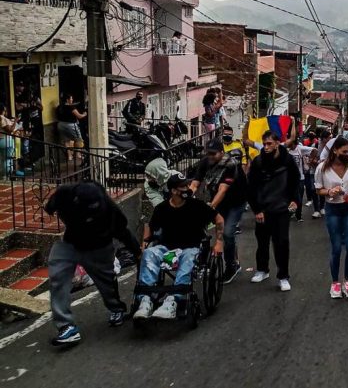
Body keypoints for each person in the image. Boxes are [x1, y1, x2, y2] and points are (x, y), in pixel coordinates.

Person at [45, 181, 139, 346]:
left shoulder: (110, 209)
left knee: (106, 282)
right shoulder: (64, 194)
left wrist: (137, 252)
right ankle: (66, 326)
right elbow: (50, 206)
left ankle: (116, 308)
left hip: (99, 248)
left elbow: (123, 232)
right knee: (57, 276)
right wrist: (50, 208)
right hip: (71, 243)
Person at [134, 173, 224, 320]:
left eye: (187, 185)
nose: (188, 188)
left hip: (191, 247)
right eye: (183, 186)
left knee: (188, 257)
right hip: (167, 248)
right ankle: (146, 299)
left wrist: (219, 242)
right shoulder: (162, 208)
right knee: (149, 253)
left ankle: (174, 300)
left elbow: (219, 219)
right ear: (174, 191)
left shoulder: (197, 205)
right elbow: (149, 226)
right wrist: (144, 245)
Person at [247, 130, 300, 291]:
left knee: (282, 243)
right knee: (262, 242)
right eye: (264, 144)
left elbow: (295, 181)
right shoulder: (258, 162)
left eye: (269, 143)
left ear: (277, 143)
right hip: (263, 208)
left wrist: (295, 200)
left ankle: (283, 276)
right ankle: (262, 270)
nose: (266, 147)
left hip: (281, 208)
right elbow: (251, 188)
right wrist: (257, 209)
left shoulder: (287, 160)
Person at [314, 137, 348, 299]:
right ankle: (335, 282)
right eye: (344, 152)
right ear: (335, 150)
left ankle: (347, 281)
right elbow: (318, 189)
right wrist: (329, 191)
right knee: (336, 248)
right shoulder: (322, 168)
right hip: (333, 209)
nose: (347, 155)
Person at [191, 139, 247, 283]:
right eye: (208, 153)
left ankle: (231, 266)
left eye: (213, 153)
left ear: (222, 153)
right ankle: (201, 261)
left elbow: (222, 190)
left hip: (236, 202)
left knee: (227, 233)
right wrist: (187, 197)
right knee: (202, 227)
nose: (210, 156)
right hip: (220, 201)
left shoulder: (230, 164)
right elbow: (195, 183)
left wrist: (210, 207)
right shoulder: (205, 162)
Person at [287, 138, 317, 222]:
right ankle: (291, 212)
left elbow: (315, 150)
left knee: (299, 197)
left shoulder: (300, 148)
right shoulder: (286, 150)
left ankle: (298, 216)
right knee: (290, 197)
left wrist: (310, 161)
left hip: (300, 178)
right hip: (289, 179)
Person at [56, 95, 86, 161]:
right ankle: (78, 154)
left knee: (66, 141)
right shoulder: (71, 107)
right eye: (71, 98)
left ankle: (69, 156)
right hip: (70, 125)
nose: (72, 100)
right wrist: (84, 114)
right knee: (79, 139)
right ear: (67, 100)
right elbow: (79, 116)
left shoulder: (59, 107)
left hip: (60, 125)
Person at [0, 103, 17, 178]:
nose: (6, 111)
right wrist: (15, 122)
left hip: (2, 140)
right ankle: (6, 176)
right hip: (5, 140)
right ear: (2, 110)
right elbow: (9, 130)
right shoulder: (1, 118)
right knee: (7, 160)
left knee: (3, 159)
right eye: (5, 110)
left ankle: (4, 176)